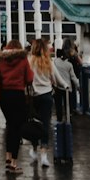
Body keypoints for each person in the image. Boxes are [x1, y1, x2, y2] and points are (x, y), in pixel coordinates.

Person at [0, 37, 34, 173]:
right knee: (17, 129)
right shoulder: (22, 60)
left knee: (10, 125)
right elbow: (29, 78)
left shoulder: (0, 59)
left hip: (4, 96)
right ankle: (14, 163)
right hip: (18, 95)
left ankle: (8, 156)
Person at [28, 38, 60, 169]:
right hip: (46, 96)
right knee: (45, 124)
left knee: (34, 124)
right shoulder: (49, 62)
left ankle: (34, 150)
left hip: (33, 96)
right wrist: (65, 86)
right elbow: (57, 79)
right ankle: (44, 156)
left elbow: (27, 79)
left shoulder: (29, 61)